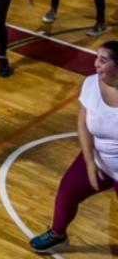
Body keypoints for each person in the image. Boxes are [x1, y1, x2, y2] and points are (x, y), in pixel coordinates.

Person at [29, 42, 118, 254]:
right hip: (99, 159)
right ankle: (57, 234)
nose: (95, 64)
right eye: (96, 58)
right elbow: (83, 124)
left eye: (103, 60)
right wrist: (89, 162)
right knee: (67, 192)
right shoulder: (91, 84)